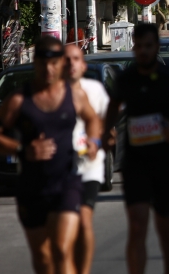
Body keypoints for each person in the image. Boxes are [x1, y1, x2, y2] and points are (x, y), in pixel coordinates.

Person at [0, 36, 101, 274]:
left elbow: (92, 119)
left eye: (54, 63)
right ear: (35, 63)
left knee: (60, 249)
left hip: (66, 183)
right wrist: (22, 149)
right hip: (32, 187)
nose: (48, 69)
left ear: (61, 64)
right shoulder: (18, 100)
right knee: (43, 258)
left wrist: (93, 141)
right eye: (43, 63)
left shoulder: (75, 96)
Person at [103, 23, 169, 274]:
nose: (143, 51)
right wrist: (107, 131)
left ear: (156, 47)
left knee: (165, 227)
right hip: (135, 164)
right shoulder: (125, 80)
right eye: (138, 46)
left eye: (148, 46)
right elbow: (111, 111)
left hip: (167, 165)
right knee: (137, 226)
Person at [66, 45, 110, 274]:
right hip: (61, 168)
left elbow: (104, 121)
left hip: (89, 166)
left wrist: (97, 141)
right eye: (66, 59)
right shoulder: (52, 92)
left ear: (83, 65)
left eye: (76, 59)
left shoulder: (95, 89)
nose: (71, 63)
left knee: (83, 221)